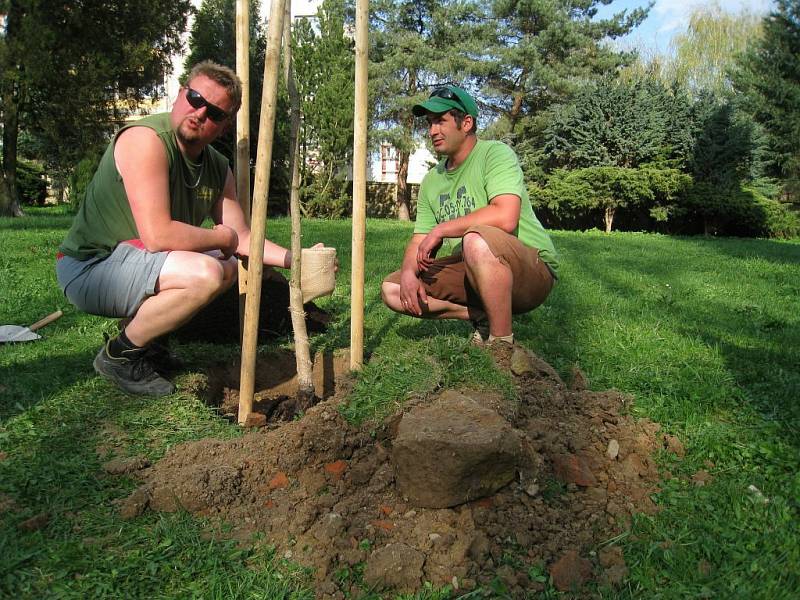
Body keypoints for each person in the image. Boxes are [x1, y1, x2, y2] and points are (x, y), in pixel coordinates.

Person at [57, 60, 330, 397]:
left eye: (215, 113)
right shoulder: (147, 141)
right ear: (179, 94)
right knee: (206, 273)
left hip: (135, 262)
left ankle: (148, 341)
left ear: (224, 126)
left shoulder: (217, 167)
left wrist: (297, 259)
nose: (200, 113)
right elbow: (159, 236)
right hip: (92, 268)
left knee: (228, 266)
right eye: (196, 99)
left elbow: (242, 238)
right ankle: (120, 355)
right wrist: (221, 237)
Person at [381, 85, 559, 347]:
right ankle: (482, 314)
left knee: (475, 239)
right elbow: (419, 240)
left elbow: (506, 216)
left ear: (466, 123)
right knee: (393, 290)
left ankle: (500, 344)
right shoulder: (432, 180)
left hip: (531, 271)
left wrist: (442, 230)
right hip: (474, 269)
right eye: (430, 123)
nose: (432, 131)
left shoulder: (495, 154)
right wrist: (409, 271)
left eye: (440, 121)